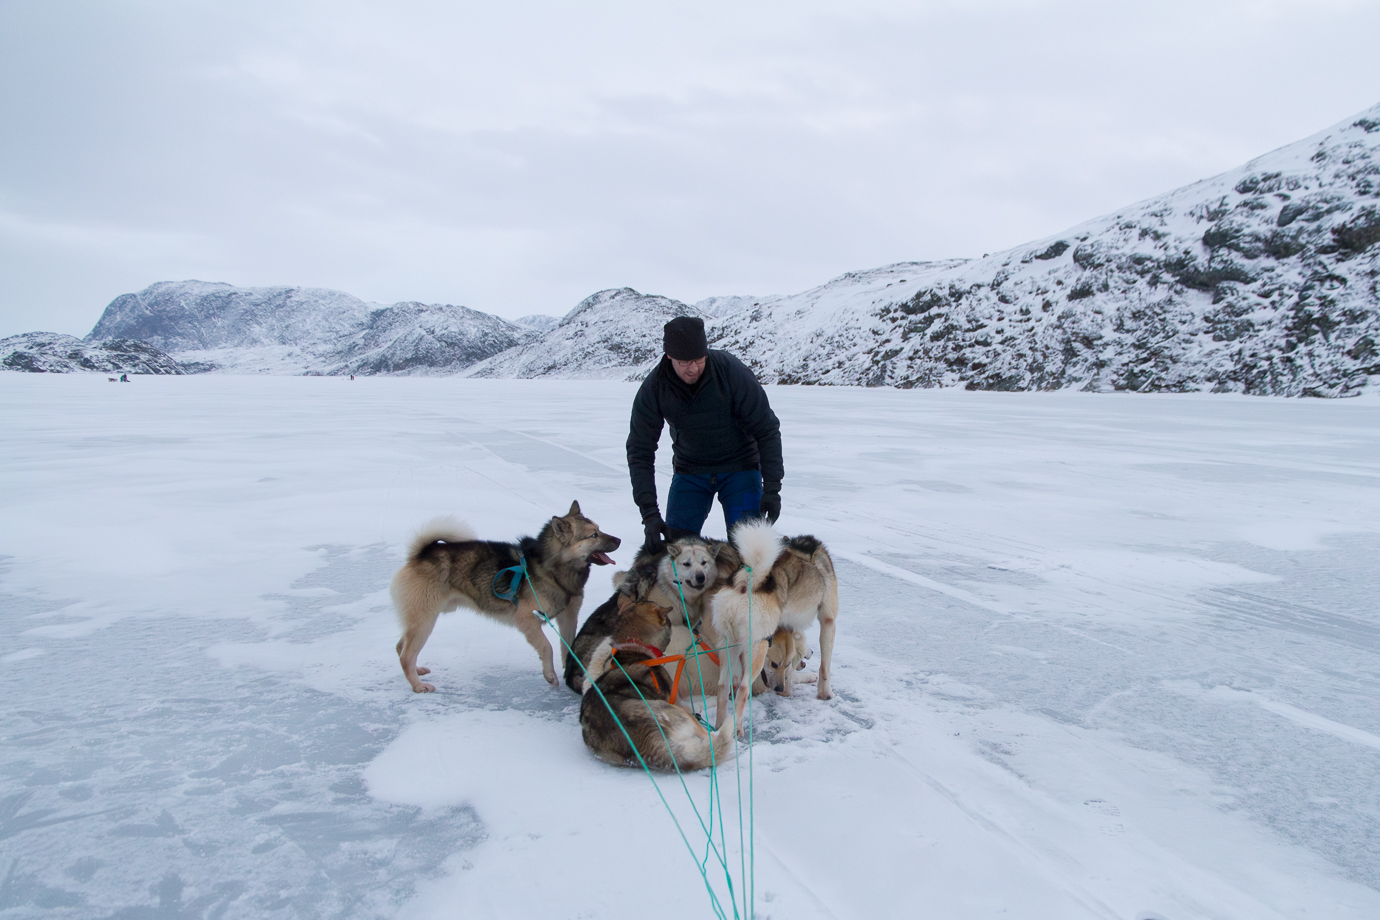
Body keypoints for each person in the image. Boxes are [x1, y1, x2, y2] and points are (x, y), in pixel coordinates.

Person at [627, 316, 783, 554]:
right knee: (678, 550)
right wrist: (649, 513)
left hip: (740, 468)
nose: (693, 368)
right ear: (669, 356)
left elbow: (767, 428)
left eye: (699, 360)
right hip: (691, 472)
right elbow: (640, 450)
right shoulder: (655, 387)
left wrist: (772, 488)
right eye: (684, 362)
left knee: (750, 552)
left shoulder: (731, 371)